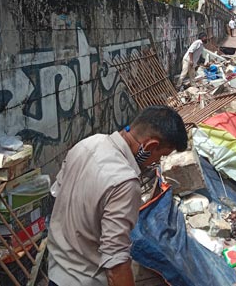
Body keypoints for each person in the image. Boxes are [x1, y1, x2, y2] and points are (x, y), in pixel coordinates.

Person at [48, 106, 188, 286]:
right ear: (151, 146)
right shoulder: (125, 182)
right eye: (160, 156)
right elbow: (115, 262)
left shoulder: (88, 143)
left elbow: (57, 192)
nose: (157, 162)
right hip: (85, 279)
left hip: (56, 271)